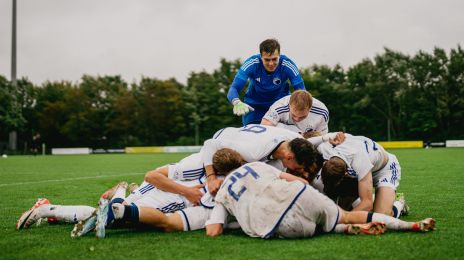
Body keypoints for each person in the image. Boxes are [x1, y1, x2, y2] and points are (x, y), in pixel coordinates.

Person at [204, 149, 435, 239]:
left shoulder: (223, 190)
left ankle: (343, 226)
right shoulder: (258, 165)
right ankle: (409, 225)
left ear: (222, 174)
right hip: (300, 194)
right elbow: (292, 179)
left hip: (282, 226)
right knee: (344, 215)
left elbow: (214, 231)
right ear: (241, 159)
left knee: (315, 227)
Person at [201, 124, 344, 195]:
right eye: (299, 167)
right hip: (222, 137)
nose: (300, 171)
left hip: (249, 140)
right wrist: (211, 178)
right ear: (289, 157)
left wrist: (326, 137)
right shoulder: (253, 153)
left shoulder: (295, 142)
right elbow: (209, 144)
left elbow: (308, 143)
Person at [318, 134, 405, 218]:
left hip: (383, 170)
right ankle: (375, 198)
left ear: (345, 173)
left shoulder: (360, 160)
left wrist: (343, 219)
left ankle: (399, 204)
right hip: (357, 170)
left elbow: (367, 204)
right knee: (341, 207)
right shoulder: (323, 149)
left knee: (380, 217)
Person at [227, 39, 306, 125]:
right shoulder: (252, 63)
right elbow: (234, 87)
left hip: (280, 106)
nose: (271, 63)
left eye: (274, 59)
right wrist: (236, 102)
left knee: (284, 135)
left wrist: (301, 108)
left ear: (279, 55)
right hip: (255, 107)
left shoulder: (287, 65)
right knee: (254, 136)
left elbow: (302, 92)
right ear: (261, 57)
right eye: (267, 60)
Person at [261, 90, 329, 134]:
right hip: (284, 137)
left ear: (310, 108)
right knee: (276, 126)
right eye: (293, 115)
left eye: (302, 116)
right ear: (289, 105)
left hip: (308, 139)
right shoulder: (279, 107)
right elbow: (264, 128)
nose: (297, 119)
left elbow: (320, 136)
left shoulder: (322, 112)